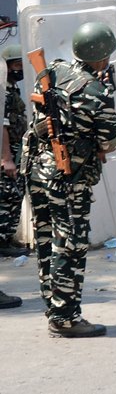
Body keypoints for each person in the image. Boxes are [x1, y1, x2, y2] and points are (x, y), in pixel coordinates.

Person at [21, 22, 116, 337]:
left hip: (38, 169)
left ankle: (54, 309)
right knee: (71, 244)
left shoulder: (51, 73)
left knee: (47, 240)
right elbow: (109, 140)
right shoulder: (94, 89)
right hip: (67, 177)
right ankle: (65, 319)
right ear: (101, 57)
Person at [1, 45, 29, 257]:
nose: (20, 70)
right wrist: (6, 158)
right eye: (17, 65)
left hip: (17, 148)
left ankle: (7, 238)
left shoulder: (12, 88)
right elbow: (3, 126)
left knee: (15, 194)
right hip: (7, 151)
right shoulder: (3, 91)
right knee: (6, 195)